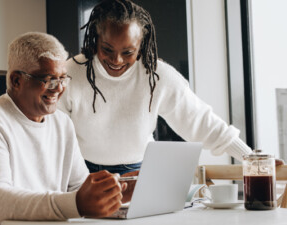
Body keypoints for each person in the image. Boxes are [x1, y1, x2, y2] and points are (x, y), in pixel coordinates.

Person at [58, 0, 255, 175]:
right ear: (94, 40)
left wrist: (251, 158)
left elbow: (201, 121)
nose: (116, 60)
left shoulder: (157, 76)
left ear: (141, 47)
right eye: (107, 49)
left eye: (128, 52)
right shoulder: (70, 73)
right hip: (82, 171)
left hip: (139, 170)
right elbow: (52, 133)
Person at [0, 32, 126, 224]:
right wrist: (76, 203)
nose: (58, 88)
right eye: (49, 79)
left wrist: (116, 191)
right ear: (17, 80)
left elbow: (79, 187)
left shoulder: (62, 123)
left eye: (63, 78)